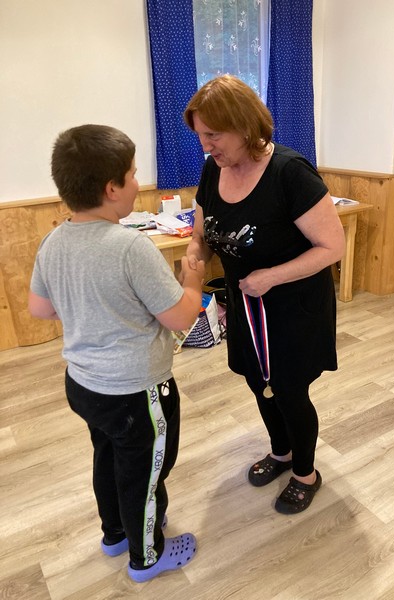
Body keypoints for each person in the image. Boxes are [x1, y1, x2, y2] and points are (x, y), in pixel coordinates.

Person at [28, 124, 204, 582]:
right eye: (133, 174)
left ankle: (117, 533)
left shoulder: (53, 241)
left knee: (108, 457)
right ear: (112, 188)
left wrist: (89, 307)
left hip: (84, 385)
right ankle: (148, 557)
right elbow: (180, 317)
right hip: (136, 391)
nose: (138, 182)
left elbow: (40, 309)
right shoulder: (131, 247)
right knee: (144, 473)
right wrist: (193, 279)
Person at [184, 75, 345, 515]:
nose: (206, 146)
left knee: (290, 391)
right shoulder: (212, 170)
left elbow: (332, 247)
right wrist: (194, 261)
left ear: (244, 125)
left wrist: (273, 276)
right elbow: (201, 235)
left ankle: (306, 474)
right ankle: (281, 453)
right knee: (259, 384)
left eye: (213, 135)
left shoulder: (290, 172)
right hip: (245, 304)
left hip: (292, 306)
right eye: (200, 136)